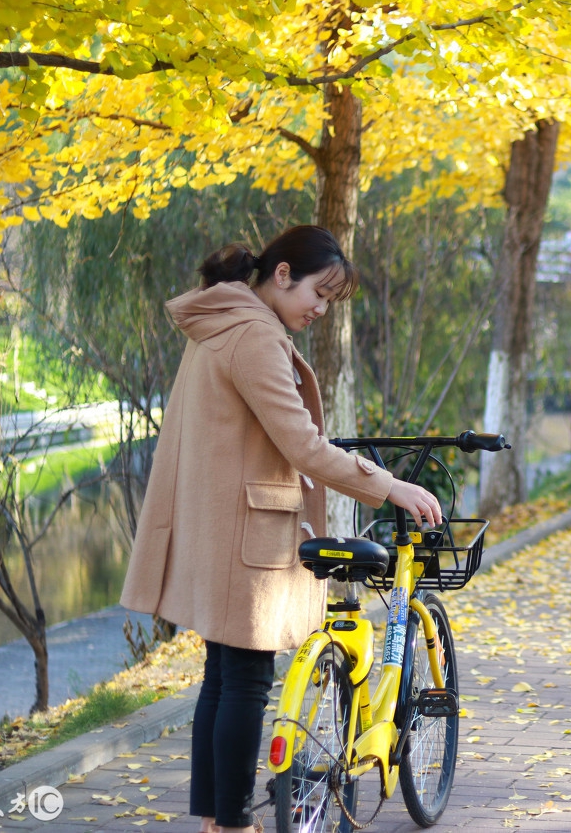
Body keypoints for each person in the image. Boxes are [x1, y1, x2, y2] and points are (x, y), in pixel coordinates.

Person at [119, 226, 443, 833]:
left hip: (220, 524)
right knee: (243, 681)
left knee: (223, 677)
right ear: (283, 273)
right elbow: (301, 444)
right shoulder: (254, 337)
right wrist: (390, 485)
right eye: (318, 293)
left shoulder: (223, 322)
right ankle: (236, 822)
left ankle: (221, 820)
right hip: (249, 533)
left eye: (331, 301)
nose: (320, 309)